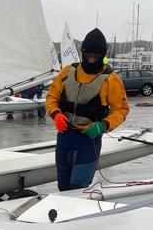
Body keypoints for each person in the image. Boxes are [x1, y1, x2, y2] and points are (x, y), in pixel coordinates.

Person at [45, 27, 129, 191]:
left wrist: (103, 125)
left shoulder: (111, 79)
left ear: (102, 56)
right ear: (83, 52)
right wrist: (56, 115)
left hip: (88, 141)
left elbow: (121, 110)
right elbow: (52, 97)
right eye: (88, 55)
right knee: (63, 186)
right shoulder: (67, 72)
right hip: (65, 138)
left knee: (78, 188)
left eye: (96, 57)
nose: (91, 59)